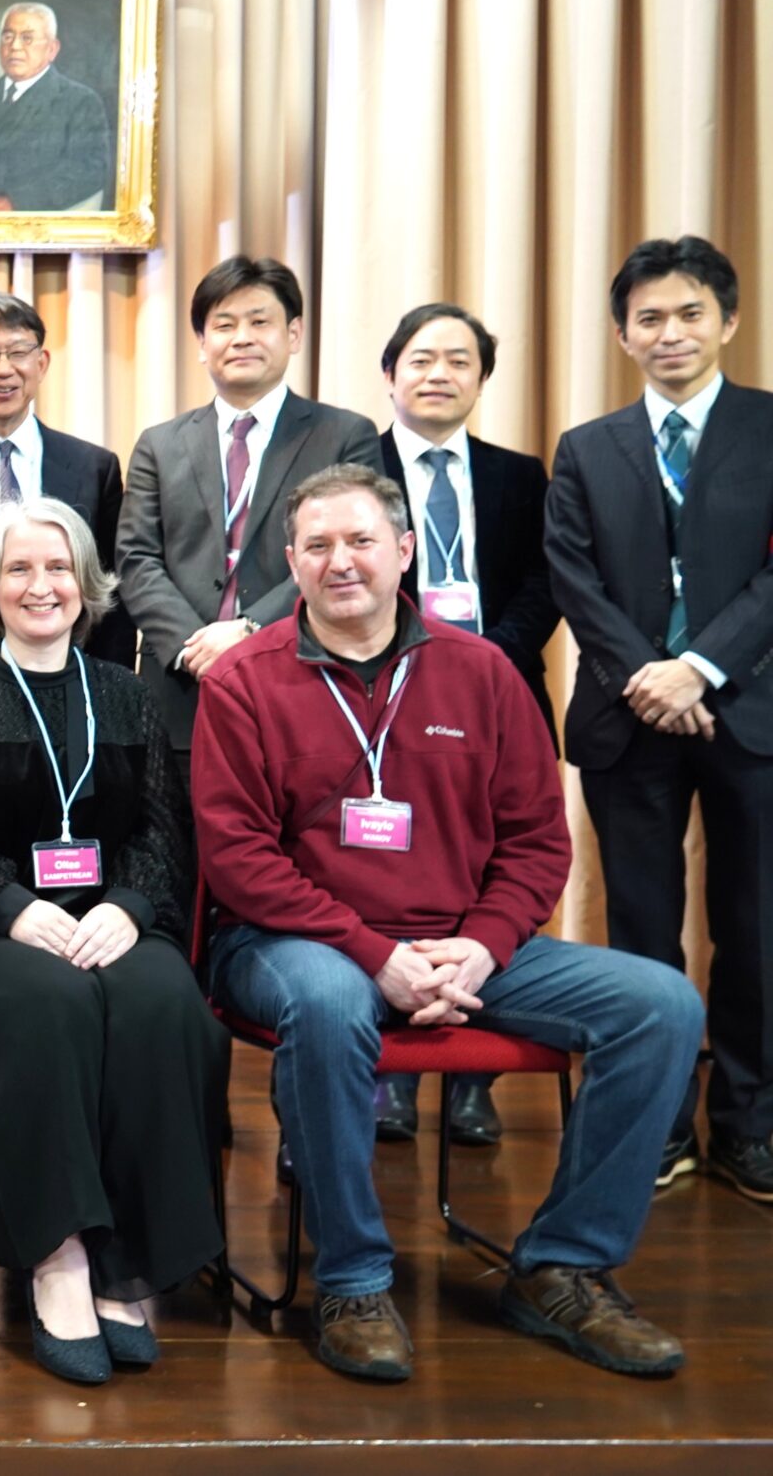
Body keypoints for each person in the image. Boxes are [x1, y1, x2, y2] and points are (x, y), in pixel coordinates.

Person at [194, 463, 702, 1382]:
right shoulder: (244, 681)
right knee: (329, 1000)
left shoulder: (484, 673)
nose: (340, 561)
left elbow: (538, 842)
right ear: (291, 562)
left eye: (360, 540)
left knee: (661, 1005)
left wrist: (482, 946)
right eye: (317, 545)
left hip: (464, 941)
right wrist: (374, 953)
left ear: (403, 550)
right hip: (292, 941)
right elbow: (238, 859)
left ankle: (563, 1266)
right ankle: (352, 1280)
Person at [0, 497, 221, 1385]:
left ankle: (127, 1256)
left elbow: (161, 829)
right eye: (21, 569)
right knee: (49, 1001)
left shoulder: (127, 692)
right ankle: (59, 1253)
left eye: (59, 567)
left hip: (108, 920)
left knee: (161, 1000)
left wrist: (130, 907)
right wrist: (10, 906)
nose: (41, 585)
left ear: (86, 583)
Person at [548, 236, 773, 1201]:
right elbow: (572, 574)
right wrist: (651, 674)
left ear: (728, 321)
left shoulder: (767, 426)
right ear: (622, 334)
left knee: (755, 927)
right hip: (626, 715)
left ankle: (749, 1123)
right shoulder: (587, 448)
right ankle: (659, 1121)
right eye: (649, 317)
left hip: (750, 712)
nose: (670, 332)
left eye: (689, 313)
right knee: (642, 931)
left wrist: (699, 667)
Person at [369, 301, 560, 1148]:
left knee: (494, 871)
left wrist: (486, 661)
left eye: (458, 360)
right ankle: (397, 1072)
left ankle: (472, 1080)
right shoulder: (355, 469)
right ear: (390, 374)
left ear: (482, 378)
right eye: (420, 358)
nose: (438, 373)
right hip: (383, 697)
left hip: (500, 692)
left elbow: (545, 583)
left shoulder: (519, 474)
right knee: (397, 871)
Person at [117, 256, 383, 751]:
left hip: (303, 677)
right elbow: (136, 559)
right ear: (202, 343)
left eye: (260, 322)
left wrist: (250, 631)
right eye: (224, 325)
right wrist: (196, 648)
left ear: (294, 334)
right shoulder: (160, 444)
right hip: (181, 687)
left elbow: (349, 555)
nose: (242, 338)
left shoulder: (345, 435)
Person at [0, 290, 132, 676]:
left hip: (70, 674)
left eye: (18, 352)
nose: (4, 370)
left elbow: (112, 593)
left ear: (42, 362)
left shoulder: (94, 467)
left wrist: (111, 684)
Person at [0, 3, 115, 213]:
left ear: (52, 49)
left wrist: (16, 201)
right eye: (7, 37)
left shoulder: (80, 101)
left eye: (27, 38)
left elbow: (90, 170)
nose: (14, 46)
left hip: (37, 222)